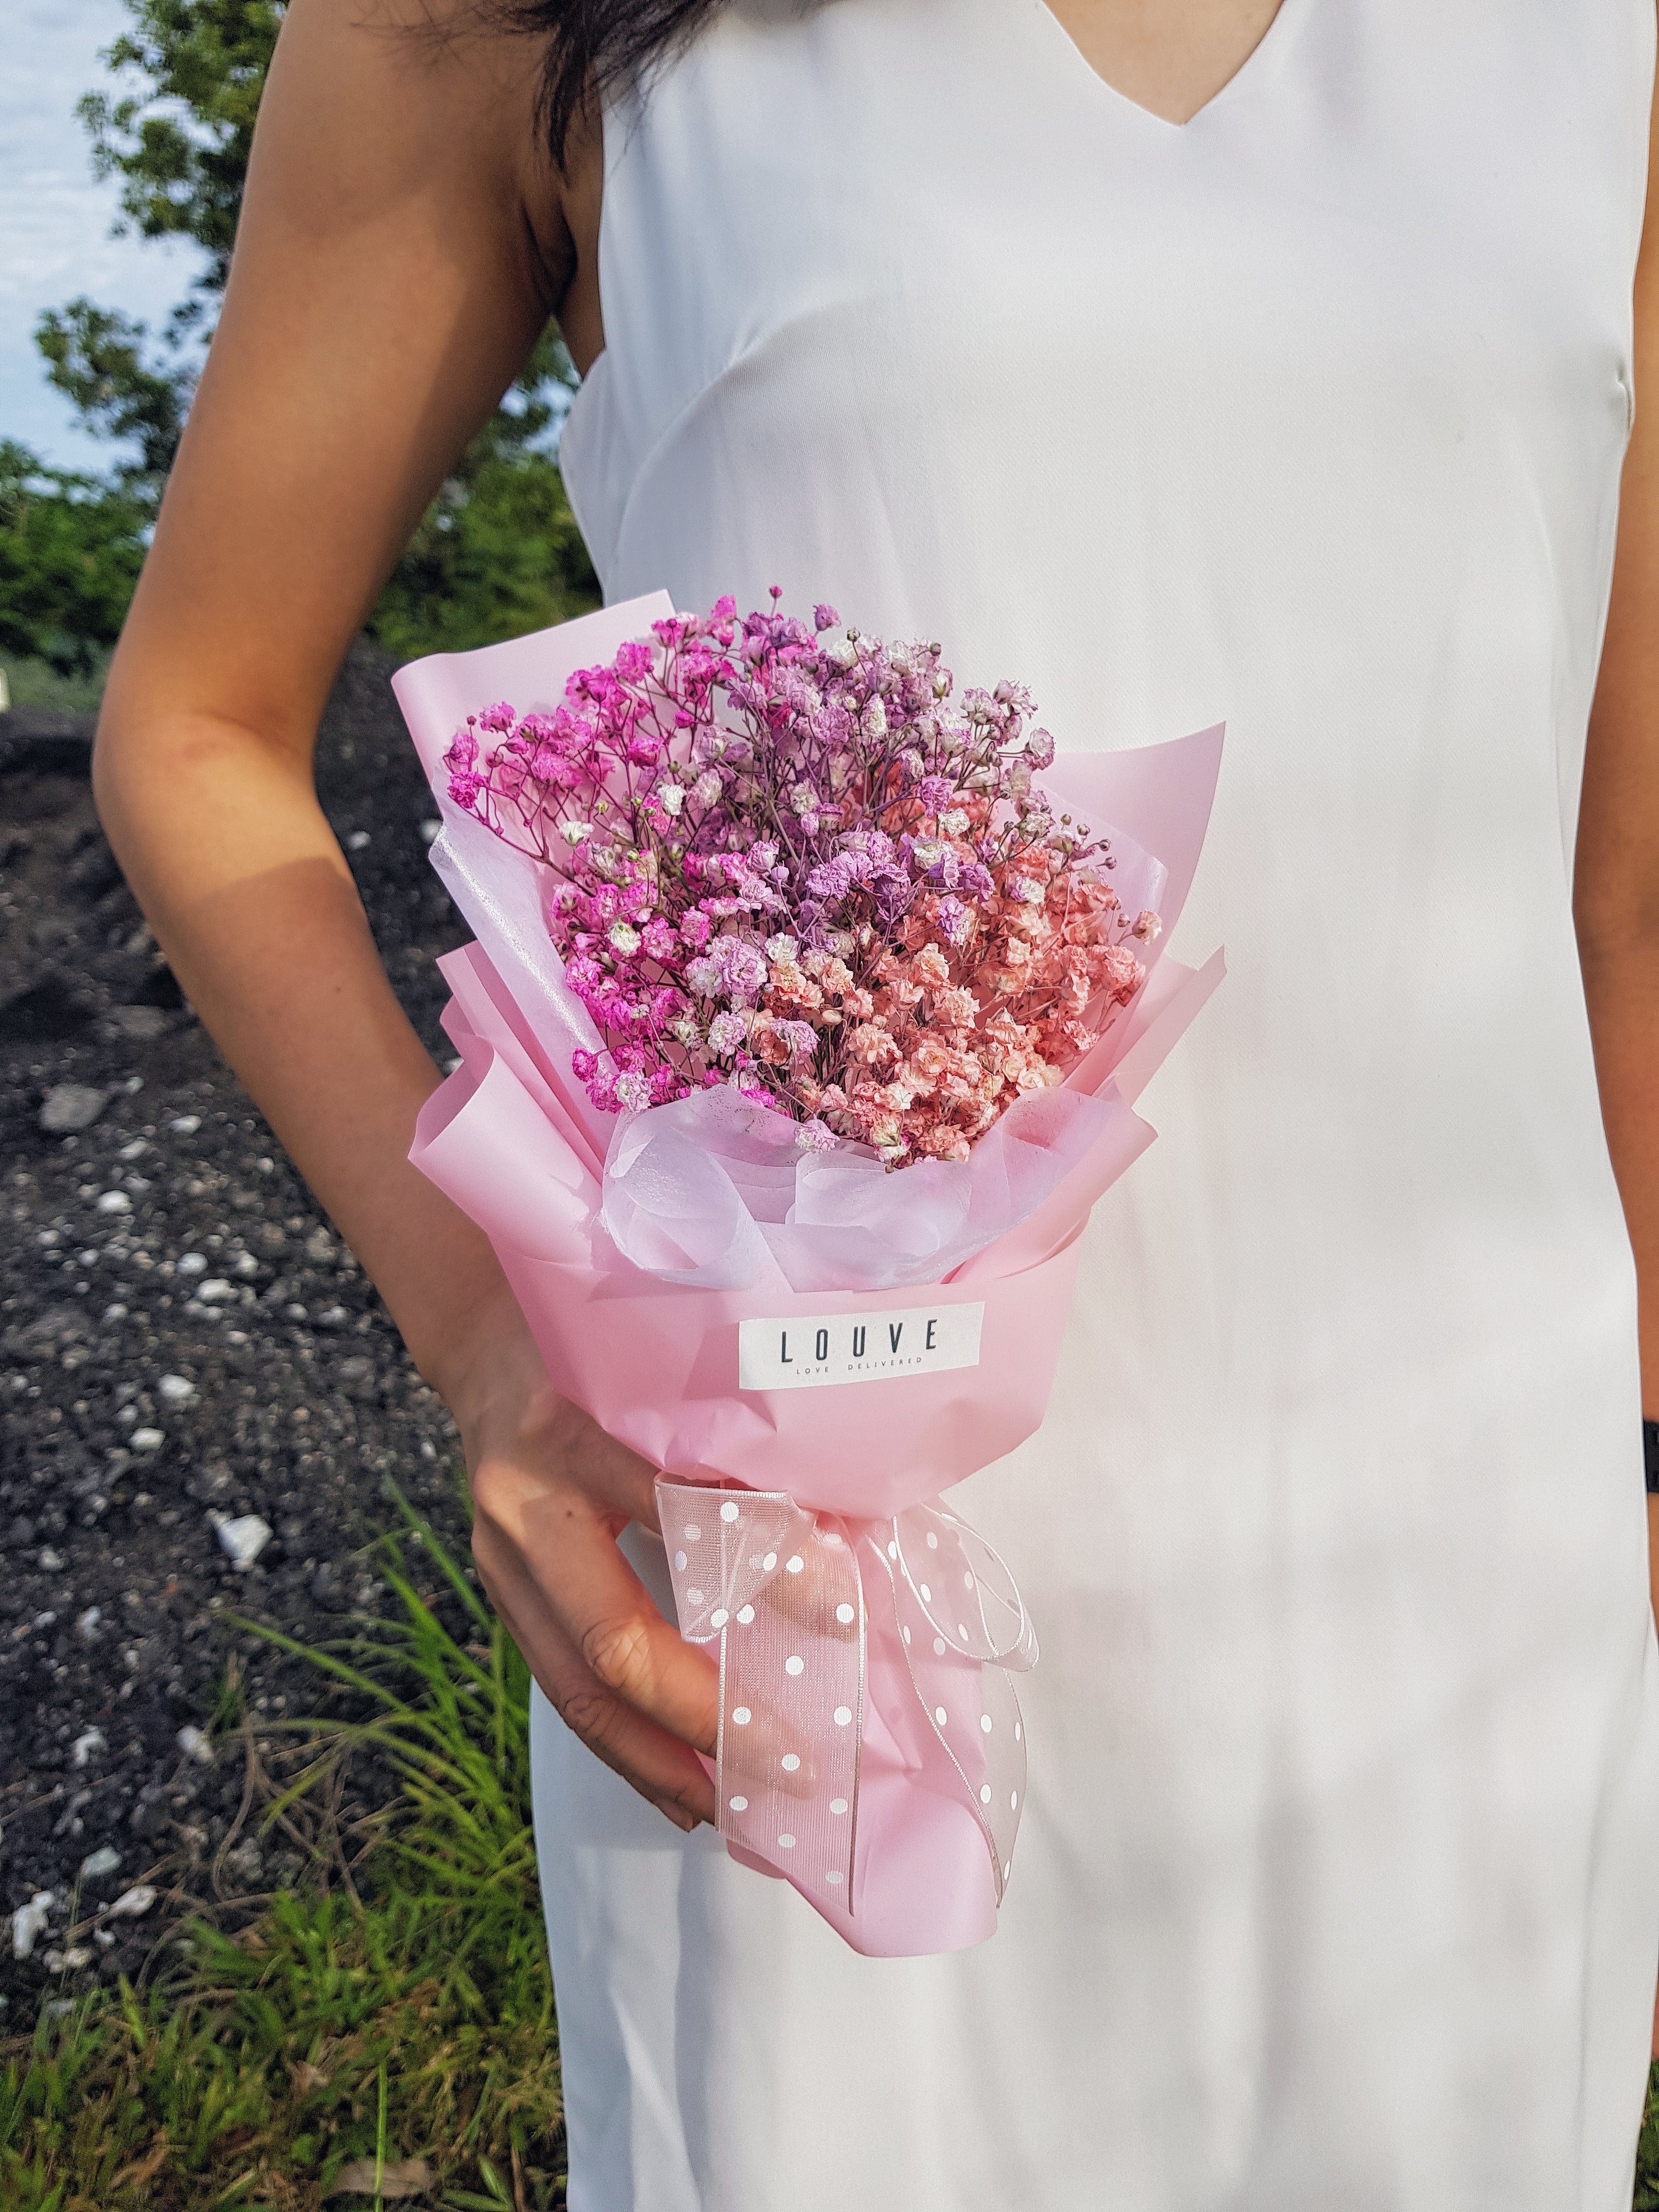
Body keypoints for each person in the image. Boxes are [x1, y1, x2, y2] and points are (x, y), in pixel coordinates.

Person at [92, 0, 1659, 2204]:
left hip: (1483, 1570)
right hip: (820, 1609)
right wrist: (495, 1359)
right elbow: (199, 718)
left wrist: (1646, 1483)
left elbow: (1622, 894)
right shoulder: (507, 27)